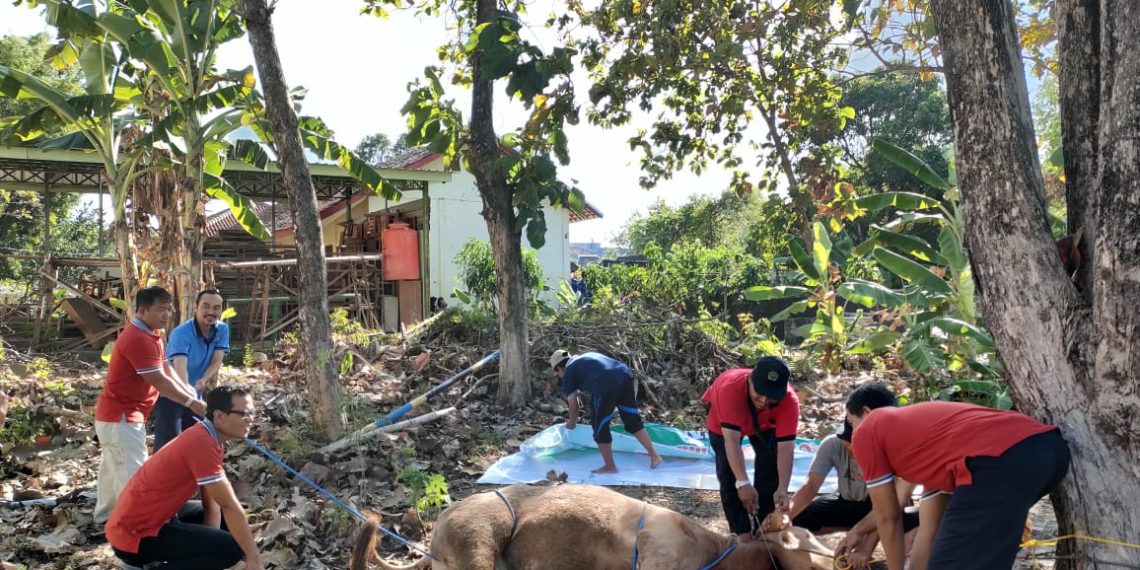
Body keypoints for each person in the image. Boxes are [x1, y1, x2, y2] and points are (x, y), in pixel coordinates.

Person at [846, 383, 1071, 570]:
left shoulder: (868, 430)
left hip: (998, 461)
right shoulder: (931, 448)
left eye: (850, 422)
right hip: (1050, 453)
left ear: (865, 413)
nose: (851, 433)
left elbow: (888, 518)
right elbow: (929, 530)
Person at [106, 384, 263, 570]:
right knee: (231, 549)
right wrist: (253, 558)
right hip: (135, 535)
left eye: (252, 413)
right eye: (244, 414)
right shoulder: (200, 442)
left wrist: (210, 540)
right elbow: (230, 505)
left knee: (227, 526)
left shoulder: (209, 437)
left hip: (159, 518)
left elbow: (213, 503)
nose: (250, 419)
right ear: (219, 416)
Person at [94, 286, 206, 523]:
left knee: (114, 472)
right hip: (121, 417)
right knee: (133, 476)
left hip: (122, 417)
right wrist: (189, 402)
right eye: (161, 309)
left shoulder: (152, 334)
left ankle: (106, 520)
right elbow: (159, 380)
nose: (167, 314)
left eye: (169, 309)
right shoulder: (137, 338)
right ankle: (138, 528)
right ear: (143, 311)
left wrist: (189, 392)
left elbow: (165, 368)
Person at [701, 356, 799, 544]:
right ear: (750, 380)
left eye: (771, 396)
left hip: (765, 424)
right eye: (760, 392)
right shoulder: (729, 389)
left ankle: (764, 525)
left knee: (770, 465)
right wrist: (743, 482)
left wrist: (782, 488)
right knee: (728, 474)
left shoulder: (789, 401)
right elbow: (731, 441)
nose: (764, 400)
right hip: (724, 423)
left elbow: (786, 447)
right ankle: (742, 531)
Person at [551, 350, 663, 473]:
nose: (559, 377)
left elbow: (574, 407)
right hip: (625, 374)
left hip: (604, 383)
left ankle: (610, 466)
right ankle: (654, 456)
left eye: (557, 373)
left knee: (599, 426)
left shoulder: (568, 373)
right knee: (632, 420)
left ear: (559, 368)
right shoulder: (586, 356)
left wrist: (571, 424)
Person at [153, 289, 230, 451]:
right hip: (172, 394)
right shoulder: (182, 333)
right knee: (168, 447)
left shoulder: (222, 330)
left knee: (196, 445)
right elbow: (180, 367)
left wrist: (204, 379)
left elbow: (217, 360)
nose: (211, 311)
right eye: (206, 306)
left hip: (195, 395)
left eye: (216, 308)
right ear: (196, 308)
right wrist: (189, 398)